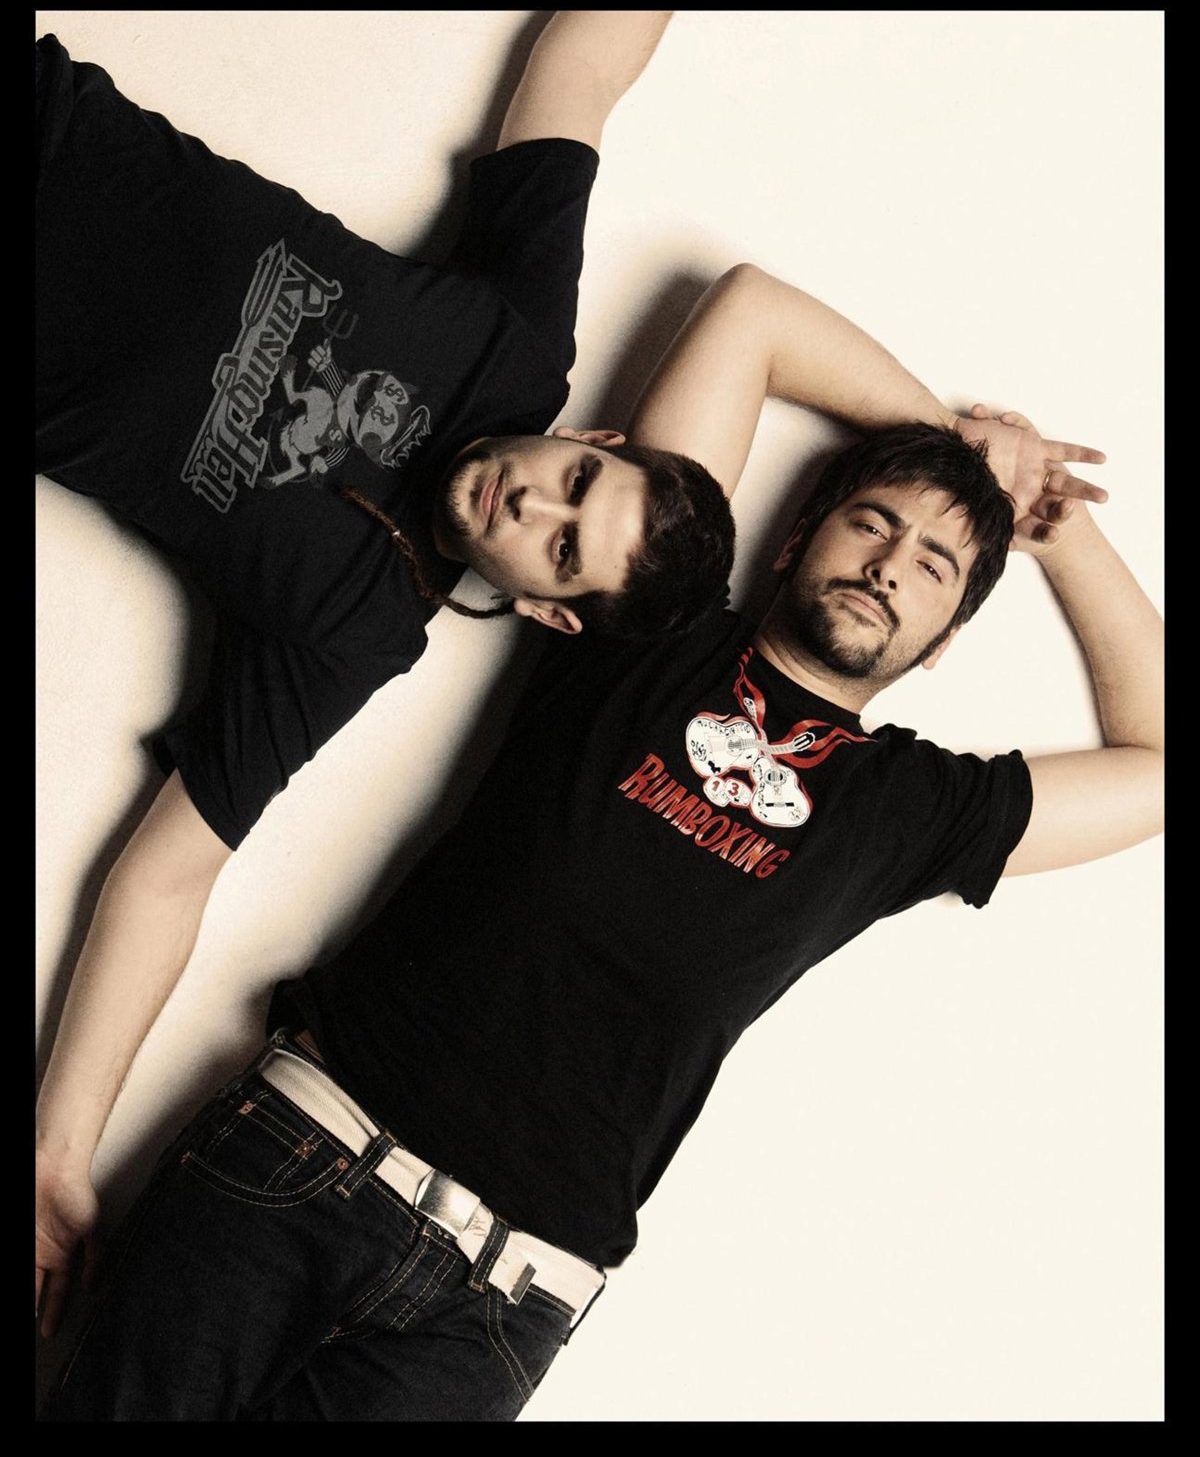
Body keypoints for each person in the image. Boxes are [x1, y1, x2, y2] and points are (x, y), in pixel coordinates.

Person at [38, 221, 1162, 1415]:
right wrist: (960, 454)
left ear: (940, 644)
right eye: (874, 522)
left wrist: (1057, 518)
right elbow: (751, 314)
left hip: (498, 1304)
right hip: (307, 1156)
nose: (891, 564)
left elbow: (1156, 761)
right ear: (796, 537)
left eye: (935, 566)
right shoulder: (648, 613)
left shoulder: (909, 811)